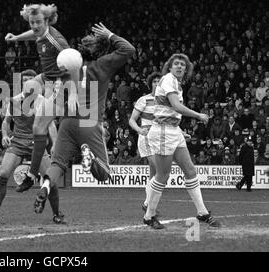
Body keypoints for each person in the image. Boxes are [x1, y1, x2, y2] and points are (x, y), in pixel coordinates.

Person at [33, 23, 136, 214]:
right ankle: (89, 157)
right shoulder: (102, 65)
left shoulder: (64, 72)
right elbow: (129, 49)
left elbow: (56, 99)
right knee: (104, 174)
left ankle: (44, 189)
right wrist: (110, 34)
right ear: (102, 50)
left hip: (67, 122)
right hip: (89, 123)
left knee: (57, 164)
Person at [5, 4, 77, 193]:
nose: (35, 26)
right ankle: (24, 96)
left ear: (47, 21)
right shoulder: (40, 33)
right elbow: (33, 34)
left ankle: (31, 175)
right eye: (32, 22)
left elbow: (74, 64)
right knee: (28, 86)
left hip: (59, 83)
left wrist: (74, 93)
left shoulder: (57, 41)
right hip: (46, 77)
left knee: (38, 127)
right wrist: (17, 38)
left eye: (38, 22)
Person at [144, 53, 221, 229]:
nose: (179, 66)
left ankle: (202, 213)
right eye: (176, 64)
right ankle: (149, 215)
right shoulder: (168, 79)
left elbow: (171, 112)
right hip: (162, 132)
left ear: (186, 69)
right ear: (170, 67)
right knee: (162, 176)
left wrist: (179, 130)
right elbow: (176, 106)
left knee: (190, 170)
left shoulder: (177, 84)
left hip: (172, 131)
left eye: (182, 65)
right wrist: (198, 115)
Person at [0, 69, 64, 224]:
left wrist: (55, 143)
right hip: (18, 142)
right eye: (25, 80)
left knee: (50, 180)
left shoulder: (43, 101)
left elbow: (51, 125)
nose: (28, 82)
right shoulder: (13, 101)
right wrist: (5, 135)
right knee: (3, 174)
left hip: (36, 143)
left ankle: (57, 214)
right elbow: (6, 121)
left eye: (31, 79)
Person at [128, 72, 161, 214]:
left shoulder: (165, 101)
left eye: (159, 81)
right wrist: (139, 130)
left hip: (159, 138)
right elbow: (131, 120)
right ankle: (148, 204)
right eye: (154, 81)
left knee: (153, 174)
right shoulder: (144, 100)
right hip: (146, 137)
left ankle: (148, 204)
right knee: (160, 170)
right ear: (150, 84)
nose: (157, 83)